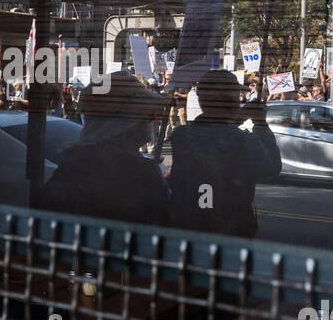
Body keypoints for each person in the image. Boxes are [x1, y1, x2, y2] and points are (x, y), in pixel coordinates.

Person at [39, 71, 170, 226]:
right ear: (125, 124)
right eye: (147, 116)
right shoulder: (139, 172)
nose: (152, 121)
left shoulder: (72, 165)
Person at [168, 71, 280, 238]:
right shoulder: (242, 140)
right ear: (234, 103)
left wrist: (239, 117)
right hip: (232, 227)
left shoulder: (182, 136)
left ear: (200, 101)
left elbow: (215, 131)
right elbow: (271, 168)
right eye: (236, 98)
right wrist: (260, 123)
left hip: (189, 225)